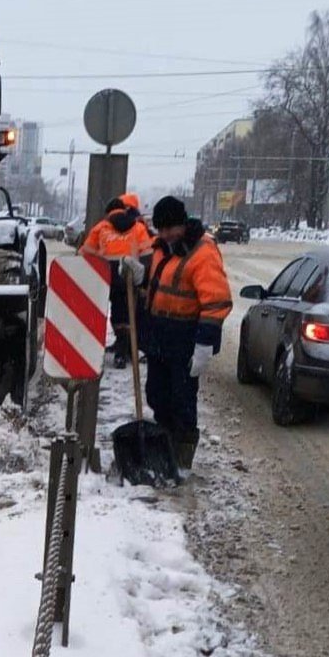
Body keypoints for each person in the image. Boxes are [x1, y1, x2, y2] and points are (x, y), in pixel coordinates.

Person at [121, 195, 231, 470]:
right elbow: (161, 282)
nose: (166, 234)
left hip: (185, 339)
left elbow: (216, 301)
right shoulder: (162, 249)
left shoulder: (203, 253)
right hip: (159, 336)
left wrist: (204, 344)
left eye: (170, 229)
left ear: (182, 224)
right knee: (157, 394)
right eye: (161, 229)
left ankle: (181, 456)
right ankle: (162, 445)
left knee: (181, 398)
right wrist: (139, 275)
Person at [80, 193, 152, 368]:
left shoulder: (101, 228)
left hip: (104, 274)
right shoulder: (138, 228)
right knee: (125, 314)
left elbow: (85, 252)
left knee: (97, 312)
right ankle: (122, 353)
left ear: (108, 212)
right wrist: (142, 280)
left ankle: (90, 351)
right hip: (128, 275)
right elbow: (148, 255)